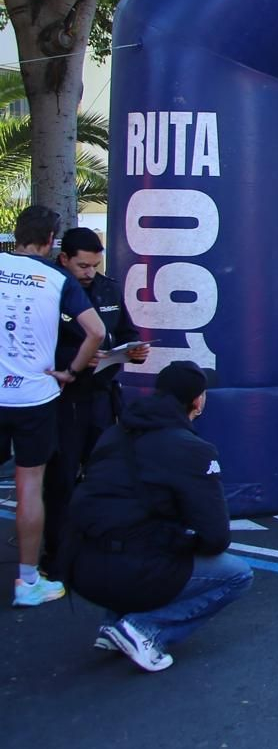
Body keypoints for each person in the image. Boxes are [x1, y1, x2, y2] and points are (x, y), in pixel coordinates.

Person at [65, 361, 251, 672]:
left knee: (130, 528)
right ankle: (144, 629)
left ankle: (114, 624)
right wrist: (181, 545)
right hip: (130, 571)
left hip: (77, 567)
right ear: (197, 400)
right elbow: (216, 537)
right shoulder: (192, 449)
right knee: (236, 575)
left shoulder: (115, 432)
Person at [3, 206, 105, 607]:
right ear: (50, 242)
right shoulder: (57, 278)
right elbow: (96, 332)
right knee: (29, 487)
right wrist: (72, 372)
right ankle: (28, 582)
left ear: (16, 234)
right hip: (34, 396)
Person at [42, 227, 147, 578]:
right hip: (64, 398)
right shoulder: (52, 290)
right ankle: (57, 554)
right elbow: (39, 344)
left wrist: (134, 351)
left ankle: (99, 545)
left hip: (103, 396)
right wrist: (76, 357)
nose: (89, 273)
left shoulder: (108, 288)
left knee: (104, 474)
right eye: (82, 266)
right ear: (64, 259)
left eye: (94, 265)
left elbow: (127, 332)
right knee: (61, 478)